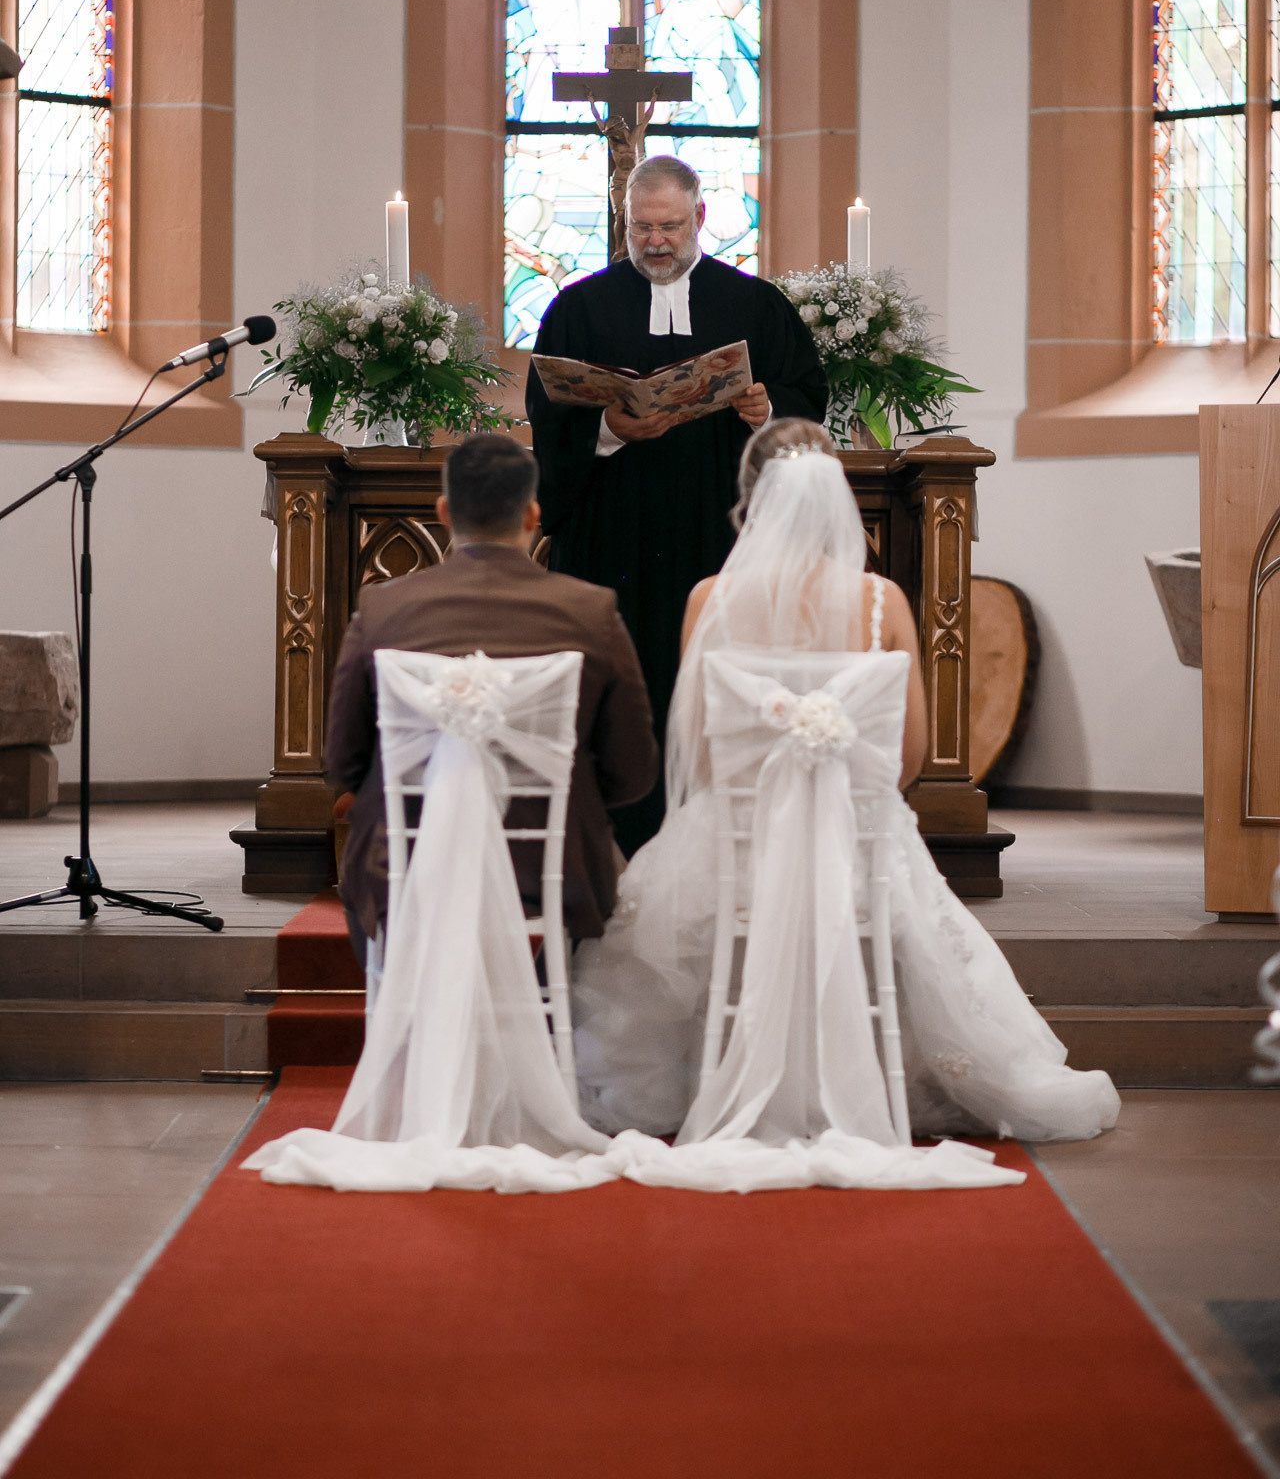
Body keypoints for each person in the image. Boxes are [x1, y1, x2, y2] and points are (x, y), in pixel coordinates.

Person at [571, 418, 1122, 1151]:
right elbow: (912, 755)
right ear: (837, 498)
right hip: (854, 842)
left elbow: (699, 747)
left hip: (740, 844)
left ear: (751, 496)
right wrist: (842, 795)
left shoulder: (711, 599)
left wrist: (759, 795)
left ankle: (714, 1070)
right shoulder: (881, 602)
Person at [525, 156, 828, 853]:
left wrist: (766, 406)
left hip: (718, 527)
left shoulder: (755, 306)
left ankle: (725, 836)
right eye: (641, 227)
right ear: (623, 223)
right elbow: (548, 410)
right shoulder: (580, 306)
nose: (655, 241)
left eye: (668, 225)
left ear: (699, 219)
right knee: (622, 682)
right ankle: (611, 838)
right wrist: (609, 428)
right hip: (613, 529)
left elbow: (808, 397)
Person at [326, 433, 659, 965]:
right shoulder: (590, 610)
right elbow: (635, 772)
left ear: (442, 512)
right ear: (531, 515)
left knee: (366, 863)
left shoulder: (383, 608)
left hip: (404, 859)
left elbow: (343, 761)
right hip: (551, 864)